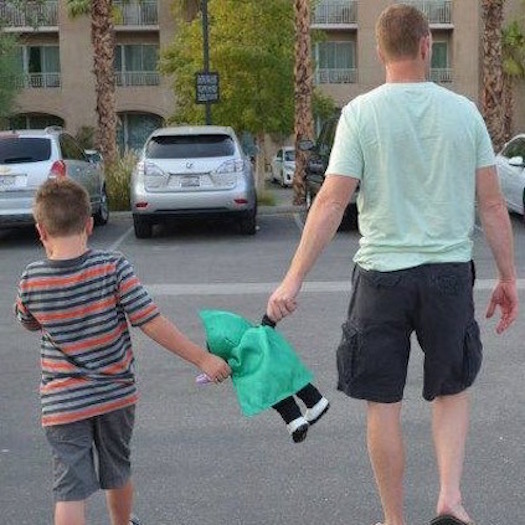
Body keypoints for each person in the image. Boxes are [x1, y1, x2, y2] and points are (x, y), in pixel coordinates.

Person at [267, 4, 518, 525]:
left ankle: (393, 519)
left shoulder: (361, 114)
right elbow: (493, 206)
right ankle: (450, 498)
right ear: (428, 45)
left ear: (379, 52)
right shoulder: (464, 112)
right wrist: (508, 279)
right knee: (450, 390)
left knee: (383, 404)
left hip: (381, 277)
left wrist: (292, 279)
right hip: (448, 275)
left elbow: (331, 202)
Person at [14, 178, 231, 525]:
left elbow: (28, 320)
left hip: (62, 403)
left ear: (41, 231)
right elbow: (150, 321)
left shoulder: (31, 278)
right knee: (117, 469)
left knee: (69, 489)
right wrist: (202, 357)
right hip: (115, 396)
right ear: (88, 224)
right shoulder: (112, 267)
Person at [199, 309, 330, 443]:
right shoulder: (258, 332)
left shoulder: (236, 359)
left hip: (268, 382)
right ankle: (317, 401)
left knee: (281, 400)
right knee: (297, 383)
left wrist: (209, 374)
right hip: (284, 365)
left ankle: (296, 421)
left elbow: (221, 368)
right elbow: (269, 320)